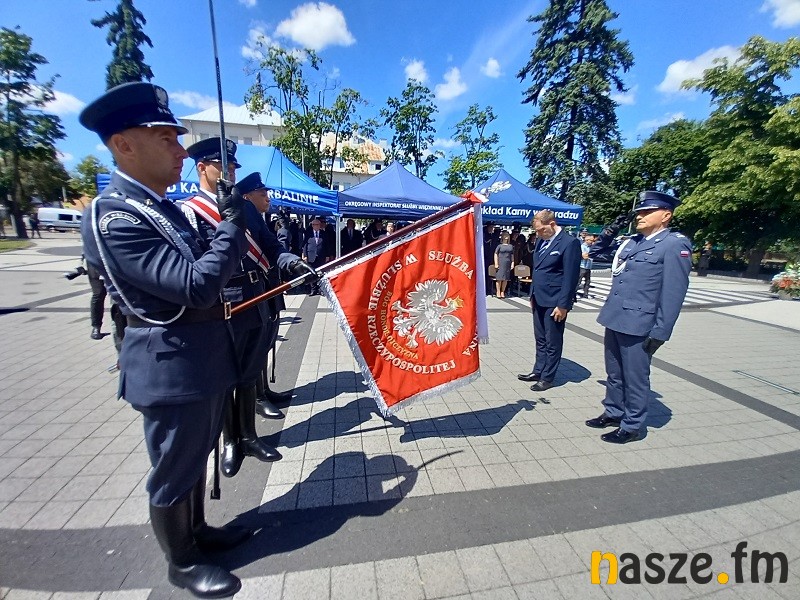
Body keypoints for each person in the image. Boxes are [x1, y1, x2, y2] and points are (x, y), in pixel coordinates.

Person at [79, 82, 250, 597]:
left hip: (199, 358)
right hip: (170, 365)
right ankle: (182, 561)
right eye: (166, 138)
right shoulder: (115, 214)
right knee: (175, 467)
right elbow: (196, 285)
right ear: (123, 144)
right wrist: (232, 225)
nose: (180, 149)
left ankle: (196, 532)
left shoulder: (162, 209)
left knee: (195, 454)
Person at [181, 139, 312, 478]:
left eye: (233, 167)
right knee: (226, 376)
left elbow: (269, 245)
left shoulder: (246, 208)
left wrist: (290, 263)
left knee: (250, 372)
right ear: (202, 168)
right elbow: (198, 264)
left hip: (256, 298)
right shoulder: (191, 211)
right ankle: (230, 442)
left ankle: (249, 437)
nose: (230, 172)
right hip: (223, 304)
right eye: (223, 166)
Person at [586, 191, 692, 444]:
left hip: (640, 324)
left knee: (635, 377)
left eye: (647, 212)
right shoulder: (632, 242)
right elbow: (595, 252)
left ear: (666, 216)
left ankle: (632, 425)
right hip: (615, 317)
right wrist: (611, 230)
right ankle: (614, 411)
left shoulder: (674, 244)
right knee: (614, 373)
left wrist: (661, 331)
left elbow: (673, 292)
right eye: (639, 212)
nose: (640, 216)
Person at [518, 210, 581, 391]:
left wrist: (563, 305)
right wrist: (532, 294)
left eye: (541, 230)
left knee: (552, 340)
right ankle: (538, 370)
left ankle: (548, 377)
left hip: (555, 301)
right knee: (540, 339)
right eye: (536, 231)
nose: (538, 234)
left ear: (552, 224)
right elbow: (538, 270)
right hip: (539, 297)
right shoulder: (541, 241)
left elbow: (570, 277)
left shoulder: (569, 243)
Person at [302, 217, 327, 295]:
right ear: (312, 225)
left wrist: (328, 255)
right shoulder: (308, 234)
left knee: (320, 273)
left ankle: (320, 289)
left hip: (321, 256)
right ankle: (313, 289)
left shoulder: (324, 234)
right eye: (314, 224)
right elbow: (305, 245)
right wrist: (305, 255)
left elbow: (327, 245)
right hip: (311, 256)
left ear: (320, 225)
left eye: (317, 224)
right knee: (311, 273)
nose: (316, 226)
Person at [494, 231, 514, 298]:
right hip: (500, 262)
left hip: (507, 263)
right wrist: (496, 263)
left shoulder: (511, 246)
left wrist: (512, 263)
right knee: (499, 278)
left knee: (505, 278)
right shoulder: (499, 246)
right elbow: (495, 254)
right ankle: (498, 291)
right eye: (505, 235)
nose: (506, 236)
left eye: (507, 235)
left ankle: (503, 291)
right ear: (502, 237)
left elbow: (512, 255)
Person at [483, 221, 500, 296]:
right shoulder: (484, 235)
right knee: (484, 274)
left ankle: (489, 289)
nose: (492, 229)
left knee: (490, 274)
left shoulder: (493, 236)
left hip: (491, 258)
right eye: (490, 227)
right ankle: (485, 289)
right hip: (484, 258)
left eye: (492, 227)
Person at [576, 234, 594, 299]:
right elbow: (584, 256)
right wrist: (589, 255)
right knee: (578, 281)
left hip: (588, 266)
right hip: (582, 266)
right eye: (591, 240)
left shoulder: (590, 247)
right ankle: (574, 294)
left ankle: (585, 294)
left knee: (588, 281)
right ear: (587, 240)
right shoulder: (582, 247)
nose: (592, 242)